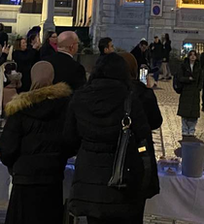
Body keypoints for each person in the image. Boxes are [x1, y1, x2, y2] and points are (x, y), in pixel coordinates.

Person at [65, 53, 155, 223]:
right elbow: (143, 138)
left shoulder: (80, 97)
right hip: (123, 178)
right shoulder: (129, 98)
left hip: (90, 179)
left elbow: (69, 138)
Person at [0, 61, 74, 224]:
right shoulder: (65, 106)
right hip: (52, 177)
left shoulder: (20, 109)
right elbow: (71, 141)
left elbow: (7, 147)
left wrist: (13, 166)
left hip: (25, 177)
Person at [177, 49, 203, 137]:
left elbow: (201, 79)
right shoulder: (184, 66)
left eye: (194, 55)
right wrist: (188, 79)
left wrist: (199, 88)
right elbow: (180, 77)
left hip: (194, 92)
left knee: (193, 112)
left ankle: (191, 129)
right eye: (191, 55)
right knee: (184, 112)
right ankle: (184, 129)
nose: (192, 57)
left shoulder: (199, 67)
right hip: (186, 91)